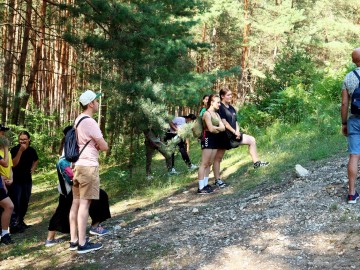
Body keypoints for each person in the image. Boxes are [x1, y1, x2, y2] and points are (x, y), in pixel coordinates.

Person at [69, 89, 109, 254]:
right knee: (85, 204)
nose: (98, 103)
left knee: (76, 203)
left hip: (78, 165)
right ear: (91, 103)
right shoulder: (90, 122)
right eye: (96, 100)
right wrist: (100, 145)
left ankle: (74, 240)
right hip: (88, 166)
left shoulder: (78, 120)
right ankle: (83, 244)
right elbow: (105, 146)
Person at [213, 88, 269, 188]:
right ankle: (217, 180)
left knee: (252, 140)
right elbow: (224, 123)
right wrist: (235, 132)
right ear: (222, 96)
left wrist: (237, 131)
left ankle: (256, 163)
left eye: (231, 95)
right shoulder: (220, 107)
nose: (230, 97)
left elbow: (236, 121)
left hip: (235, 135)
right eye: (228, 95)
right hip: (224, 136)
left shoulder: (231, 107)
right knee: (218, 158)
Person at [45, 189, 111, 247]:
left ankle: (51, 239)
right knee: (65, 207)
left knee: (64, 207)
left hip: (70, 181)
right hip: (72, 181)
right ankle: (92, 230)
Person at [9, 131, 38, 232]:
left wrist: (33, 168)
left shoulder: (31, 150)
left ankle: (21, 221)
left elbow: (36, 160)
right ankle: (14, 225)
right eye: (21, 139)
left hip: (27, 180)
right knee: (16, 202)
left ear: (29, 140)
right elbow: (13, 164)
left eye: (24, 139)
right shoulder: (14, 149)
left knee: (25, 201)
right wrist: (20, 151)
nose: (22, 141)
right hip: (16, 180)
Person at [341, 47, 360, 203]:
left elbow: (344, 103)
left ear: (354, 61)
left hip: (354, 120)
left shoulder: (348, 78)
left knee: (354, 155)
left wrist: (343, 123)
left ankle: (352, 194)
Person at [197, 94, 225, 194]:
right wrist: (216, 128)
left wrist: (215, 129)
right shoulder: (206, 114)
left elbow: (223, 128)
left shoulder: (217, 114)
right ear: (212, 103)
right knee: (204, 163)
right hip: (207, 138)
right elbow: (211, 129)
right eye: (218, 102)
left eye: (220, 102)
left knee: (209, 163)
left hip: (215, 139)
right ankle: (200, 188)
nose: (219, 104)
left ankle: (205, 184)